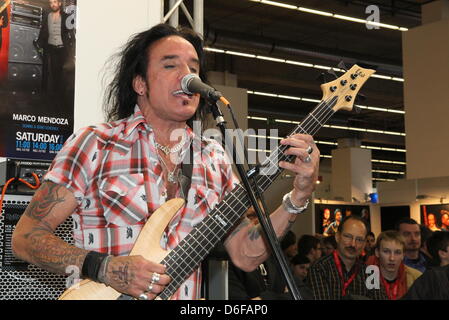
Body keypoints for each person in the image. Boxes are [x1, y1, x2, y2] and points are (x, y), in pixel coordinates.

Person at [11, 23, 320, 300]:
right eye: (171, 65)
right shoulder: (95, 144)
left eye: (193, 68)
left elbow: (246, 254)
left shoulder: (214, 158)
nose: (187, 75)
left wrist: (298, 198)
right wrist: (105, 268)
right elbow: (25, 238)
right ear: (140, 84)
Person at [307, 215, 386, 300]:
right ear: (337, 237)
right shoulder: (320, 268)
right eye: (348, 236)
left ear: (364, 244)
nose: (353, 244)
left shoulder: (370, 272)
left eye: (359, 239)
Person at [36, 0, 75, 103]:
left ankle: (62, 97)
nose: (53, 4)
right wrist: (39, 43)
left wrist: (72, 50)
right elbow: (43, 30)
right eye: (51, 2)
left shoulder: (66, 17)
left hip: (63, 49)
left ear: (59, 3)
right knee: (53, 73)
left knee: (63, 73)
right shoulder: (47, 16)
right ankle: (54, 96)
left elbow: (71, 34)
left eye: (55, 2)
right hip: (51, 48)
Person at [366, 230, 422, 300]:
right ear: (377, 252)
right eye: (386, 251)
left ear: (403, 255)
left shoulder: (416, 278)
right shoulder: (365, 277)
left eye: (397, 252)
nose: (392, 258)